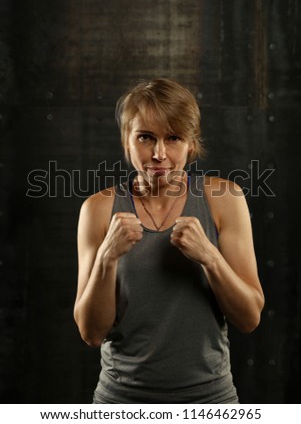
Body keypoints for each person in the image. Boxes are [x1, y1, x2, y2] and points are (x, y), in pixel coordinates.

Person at [74, 78, 265, 404]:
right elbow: (92, 333)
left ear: (191, 144)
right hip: (121, 402)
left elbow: (249, 318)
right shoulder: (98, 210)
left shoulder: (223, 199)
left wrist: (210, 256)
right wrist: (107, 257)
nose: (159, 153)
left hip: (209, 402)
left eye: (173, 138)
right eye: (146, 137)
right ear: (127, 141)